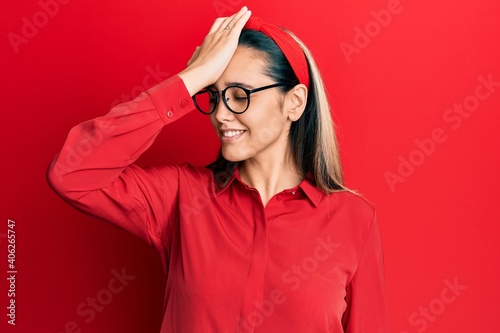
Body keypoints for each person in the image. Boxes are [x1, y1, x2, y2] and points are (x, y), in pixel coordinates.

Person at [47, 6, 390, 333]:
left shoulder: (353, 219)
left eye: (240, 95)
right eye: (213, 94)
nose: (221, 114)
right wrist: (190, 79)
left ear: (294, 102)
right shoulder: (182, 196)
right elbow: (72, 173)